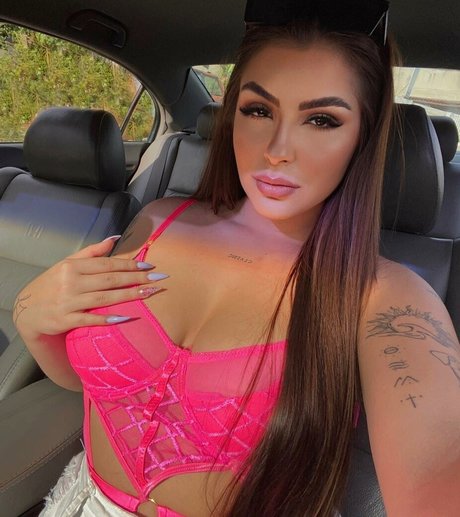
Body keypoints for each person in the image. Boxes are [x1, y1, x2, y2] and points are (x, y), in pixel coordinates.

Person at [14, 11, 460, 517]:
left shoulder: (388, 298)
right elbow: (100, 389)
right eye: (258, 110)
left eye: (321, 120)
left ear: (363, 135)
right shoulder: (157, 220)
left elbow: (438, 467)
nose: (277, 150)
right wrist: (32, 318)